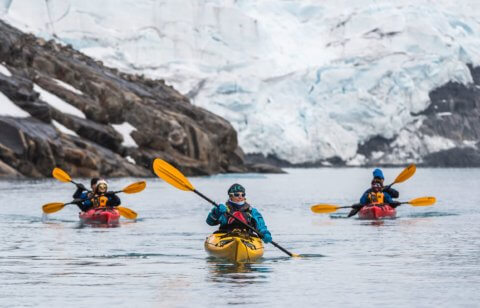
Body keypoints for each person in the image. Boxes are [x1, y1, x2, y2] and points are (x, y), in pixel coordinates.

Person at [206, 183, 272, 243]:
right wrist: (216, 212)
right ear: (230, 196)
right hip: (225, 236)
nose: (240, 197)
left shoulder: (252, 211)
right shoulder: (223, 210)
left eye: (242, 194)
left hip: (247, 238)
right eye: (237, 194)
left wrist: (265, 233)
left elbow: (261, 225)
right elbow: (210, 222)